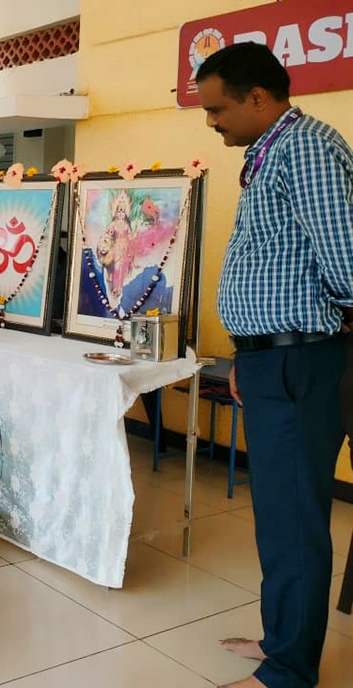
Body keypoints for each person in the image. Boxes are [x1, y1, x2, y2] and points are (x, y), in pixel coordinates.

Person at [196, 42, 353, 688]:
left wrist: (295, 343)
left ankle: (289, 673)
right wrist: (249, 353)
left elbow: (346, 264)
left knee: (295, 521)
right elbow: (278, 267)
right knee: (277, 516)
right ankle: (278, 640)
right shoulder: (270, 154)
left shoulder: (308, 148)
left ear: (259, 96)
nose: (211, 122)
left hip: (301, 362)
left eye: (218, 109)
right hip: (270, 362)